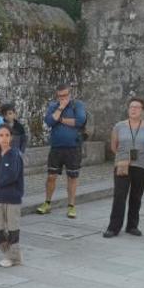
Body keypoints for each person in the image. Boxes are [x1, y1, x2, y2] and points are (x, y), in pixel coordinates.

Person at [103, 98, 144, 239]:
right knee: (119, 196)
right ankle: (113, 228)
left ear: (142, 110)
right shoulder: (119, 126)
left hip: (142, 165)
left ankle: (132, 226)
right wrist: (123, 158)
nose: (133, 109)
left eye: (137, 107)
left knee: (136, 196)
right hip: (122, 165)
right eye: (131, 107)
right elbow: (114, 146)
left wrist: (140, 157)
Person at [36, 84, 87, 219]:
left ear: (69, 94)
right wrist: (60, 108)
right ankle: (47, 203)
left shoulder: (78, 105)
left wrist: (60, 119)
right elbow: (49, 121)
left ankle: (71, 206)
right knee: (51, 176)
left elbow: (80, 121)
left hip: (73, 147)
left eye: (65, 95)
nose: (62, 98)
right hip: (56, 147)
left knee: (72, 177)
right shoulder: (53, 106)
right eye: (60, 96)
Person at [0, 124, 24, 268]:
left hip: (12, 198)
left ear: (11, 137)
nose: (4, 138)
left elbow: (11, 176)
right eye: (1, 135)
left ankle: (13, 257)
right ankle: (10, 254)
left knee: (12, 229)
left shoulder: (14, 154)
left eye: (7, 135)